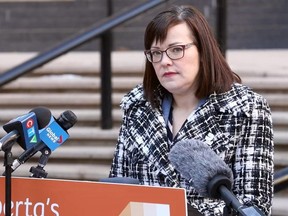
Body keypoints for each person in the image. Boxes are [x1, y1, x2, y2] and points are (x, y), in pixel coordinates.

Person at [109, 5, 274, 216]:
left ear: (203, 51)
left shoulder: (246, 109)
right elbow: (116, 189)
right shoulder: (138, 107)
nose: (165, 61)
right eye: (156, 53)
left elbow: (254, 204)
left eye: (176, 50)